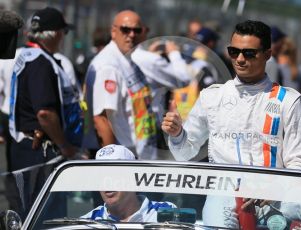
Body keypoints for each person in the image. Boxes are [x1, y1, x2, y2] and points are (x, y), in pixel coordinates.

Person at [162, 20, 301, 228]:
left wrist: (276, 189)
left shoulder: (289, 101)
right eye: (234, 51)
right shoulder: (212, 97)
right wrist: (178, 133)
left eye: (249, 53)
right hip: (224, 192)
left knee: (296, 212)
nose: (240, 59)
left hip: (276, 196)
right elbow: (185, 153)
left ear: (267, 55)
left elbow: (299, 163)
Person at [85, 10, 191, 160]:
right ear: (113, 32)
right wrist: (110, 163)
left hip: (141, 151)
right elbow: (101, 119)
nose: (132, 34)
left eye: (137, 30)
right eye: (125, 29)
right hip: (123, 157)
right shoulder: (109, 66)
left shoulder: (128, 59)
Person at [8, 7, 82, 217]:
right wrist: (64, 145)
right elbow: (44, 114)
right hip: (38, 150)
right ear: (56, 33)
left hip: (28, 147)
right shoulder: (40, 63)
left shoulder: (29, 56)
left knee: (31, 211)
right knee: (44, 215)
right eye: (63, 32)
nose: (63, 37)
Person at [81, 144, 176, 222]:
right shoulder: (86, 222)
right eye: (101, 175)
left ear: (133, 177)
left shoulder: (166, 212)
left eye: (114, 173)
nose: (107, 181)